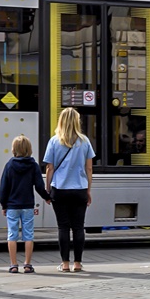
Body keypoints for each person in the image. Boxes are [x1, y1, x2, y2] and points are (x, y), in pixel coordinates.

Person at [43, 108, 95, 273]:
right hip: (79, 189)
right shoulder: (85, 141)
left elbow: (50, 168)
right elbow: (89, 169)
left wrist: (47, 188)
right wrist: (88, 190)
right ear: (77, 121)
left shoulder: (54, 141)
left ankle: (65, 264)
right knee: (79, 227)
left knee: (63, 227)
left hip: (60, 189)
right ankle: (78, 263)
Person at [0, 135, 50, 274]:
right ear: (29, 149)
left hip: (12, 206)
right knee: (28, 235)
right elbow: (39, 186)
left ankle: (13, 264)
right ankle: (27, 264)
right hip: (27, 205)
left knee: (12, 235)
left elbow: (4, 188)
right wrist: (47, 197)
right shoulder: (33, 165)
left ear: (14, 149)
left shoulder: (9, 165)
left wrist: (4, 205)